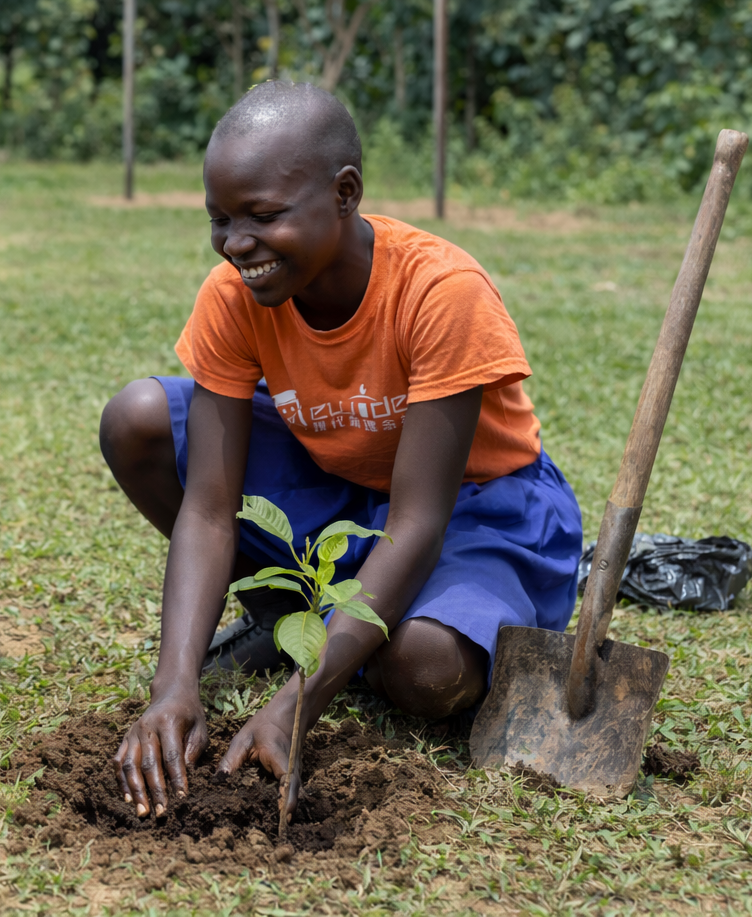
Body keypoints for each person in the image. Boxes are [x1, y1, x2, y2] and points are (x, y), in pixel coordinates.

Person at [99, 81, 583, 818]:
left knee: (423, 670)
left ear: (345, 193)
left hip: (474, 509)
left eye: (263, 216)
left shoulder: (439, 291)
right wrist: (175, 687)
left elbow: (417, 523)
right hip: (339, 487)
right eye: (220, 219)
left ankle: (350, 638)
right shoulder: (235, 294)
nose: (236, 244)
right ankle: (289, 619)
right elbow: (207, 508)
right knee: (138, 417)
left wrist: (298, 702)